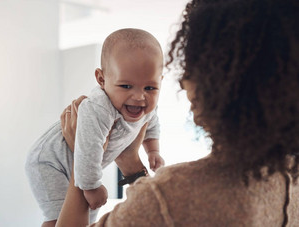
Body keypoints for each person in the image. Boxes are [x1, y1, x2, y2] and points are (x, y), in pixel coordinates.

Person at [56, 0, 299, 226]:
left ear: (226, 79)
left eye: (192, 64)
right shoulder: (291, 178)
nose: (183, 81)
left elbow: (161, 209)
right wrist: (132, 165)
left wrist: (83, 154)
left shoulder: (170, 196)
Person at [25, 28, 165, 226]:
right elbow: (88, 150)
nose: (139, 97)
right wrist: (91, 186)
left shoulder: (147, 106)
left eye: (150, 88)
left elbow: (152, 124)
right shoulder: (100, 108)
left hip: (80, 161)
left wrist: (153, 150)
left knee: (87, 216)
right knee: (58, 216)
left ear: (160, 82)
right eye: (126, 86)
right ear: (101, 79)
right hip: (50, 160)